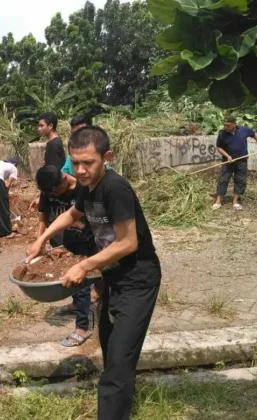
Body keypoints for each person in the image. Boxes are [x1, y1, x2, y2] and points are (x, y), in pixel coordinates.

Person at [26, 126, 161, 420]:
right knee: (110, 345)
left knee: (119, 358)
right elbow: (71, 214)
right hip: (114, 275)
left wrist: (84, 265)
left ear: (106, 157)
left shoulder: (115, 188)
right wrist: (41, 238)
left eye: (89, 162)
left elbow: (128, 243)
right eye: (76, 163)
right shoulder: (87, 188)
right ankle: (119, 396)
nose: (82, 170)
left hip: (138, 277)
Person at [36, 165, 97, 347]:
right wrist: (39, 239)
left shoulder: (82, 188)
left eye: (56, 191)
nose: (54, 195)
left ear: (64, 179)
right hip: (69, 238)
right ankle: (78, 304)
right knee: (73, 280)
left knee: (82, 283)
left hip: (88, 239)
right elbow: (44, 214)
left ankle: (82, 328)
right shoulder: (49, 188)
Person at [213, 115, 257, 210]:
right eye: (225, 125)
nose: (226, 127)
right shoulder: (222, 134)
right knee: (223, 180)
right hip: (228, 161)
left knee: (240, 180)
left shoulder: (243, 130)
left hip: (242, 161)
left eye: (228, 125)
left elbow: (254, 134)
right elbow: (219, 147)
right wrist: (227, 156)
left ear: (234, 124)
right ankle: (218, 202)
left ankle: (235, 202)